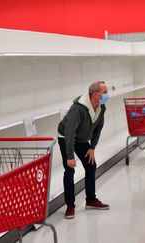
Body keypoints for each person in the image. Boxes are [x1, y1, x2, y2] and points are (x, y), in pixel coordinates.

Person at [57, 81, 110, 219]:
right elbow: (69, 131)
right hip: (66, 137)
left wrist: (92, 148)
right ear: (95, 94)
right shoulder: (78, 108)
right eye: (105, 92)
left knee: (91, 165)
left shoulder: (101, 107)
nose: (107, 94)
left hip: (80, 138)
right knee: (69, 170)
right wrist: (70, 156)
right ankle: (70, 206)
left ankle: (91, 200)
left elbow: (98, 128)